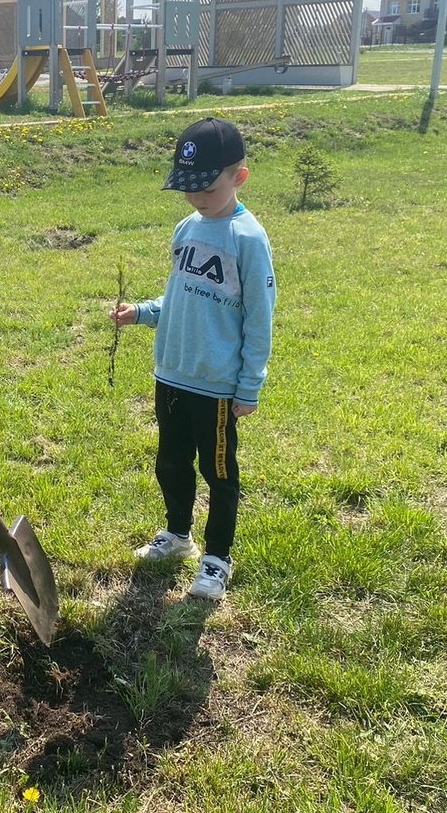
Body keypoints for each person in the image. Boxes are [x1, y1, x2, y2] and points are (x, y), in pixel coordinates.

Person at [110, 118, 276, 602]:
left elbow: (259, 319)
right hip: (172, 375)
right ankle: (178, 535)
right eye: (187, 188)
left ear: (239, 177)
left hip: (218, 385)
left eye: (207, 185)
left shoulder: (248, 239)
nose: (197, 197)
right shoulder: (186, 228)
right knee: (171, 462)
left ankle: (217, 558)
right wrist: (142, 313)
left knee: (220, 472)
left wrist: (249, 385)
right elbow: (178, 298)